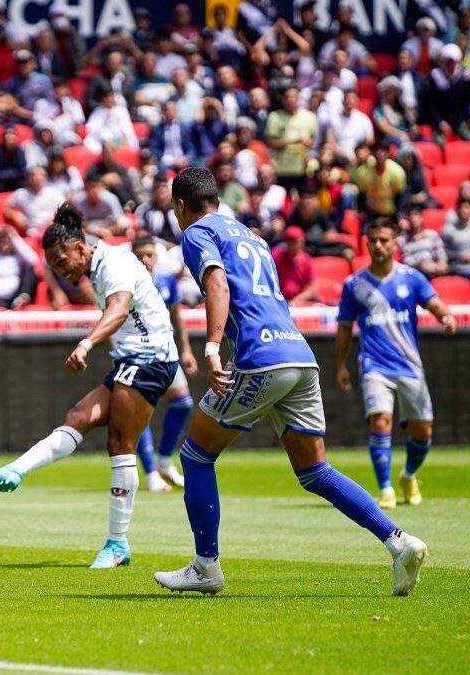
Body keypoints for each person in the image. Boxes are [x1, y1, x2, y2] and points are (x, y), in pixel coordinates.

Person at [153, 167, 427, 598]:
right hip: (299, 355)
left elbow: (218, 284)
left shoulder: (195, 232)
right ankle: (400, 542)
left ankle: (206, 568)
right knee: (315, 471)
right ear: (220, 201)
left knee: (196, 455)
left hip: (262, 359)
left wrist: (210, 347)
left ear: (180, 206)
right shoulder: (253, 236)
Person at [0, 202, 180, 570]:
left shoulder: (114, 263)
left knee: (119, 444)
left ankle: (117, 543)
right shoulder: (95, 269)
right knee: (77, 416)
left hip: (151, 359)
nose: (61, 270)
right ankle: (14, 471)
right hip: (132, 358)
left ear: (81, 248)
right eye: (55, 265)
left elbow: (120, 308)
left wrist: (86, 343)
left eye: (63, 260)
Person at [336, 218, 456, 509]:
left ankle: (408, 475)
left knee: (423, 431)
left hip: (409, 366)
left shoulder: (411, 278)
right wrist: (340, 365)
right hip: (374, 366)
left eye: (384, 240)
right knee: (380, 421)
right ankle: (386, 489)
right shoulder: (354, 285)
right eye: (373, 240)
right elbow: (344, 327)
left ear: (395, 243)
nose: (379, 245)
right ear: (366, 242)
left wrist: (446, 317)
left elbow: (434, 302)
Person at [131, 234, 197, 491]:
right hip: (137, 354)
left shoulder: (166, 280)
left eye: (149, 254)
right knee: (139, 413)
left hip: (166, 352)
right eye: (140, 256)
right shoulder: (125, 282)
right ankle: (150, 473)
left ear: (156, 256)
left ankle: (164, 459)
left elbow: (176, 316)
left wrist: (187, 350)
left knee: (183, 404)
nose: (145, 260)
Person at [271, 226, 317, 304]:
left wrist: (296, 300)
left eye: (295, 241)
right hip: (277, 299)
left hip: (298, 301)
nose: (292, 244)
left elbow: (312, 289)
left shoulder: (306, 260)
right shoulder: (275, 255)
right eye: (290, 241)